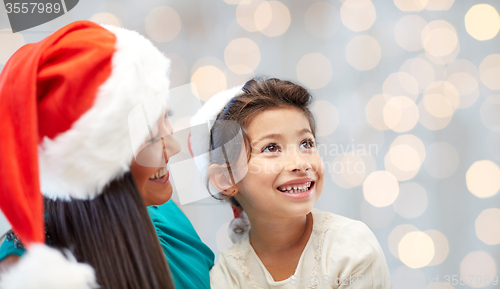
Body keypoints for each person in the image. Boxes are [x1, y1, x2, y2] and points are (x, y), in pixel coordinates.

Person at [0, 20, 213, 288]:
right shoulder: (30, 276)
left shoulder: (167, 216)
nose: (174, 147)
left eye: (166, 117)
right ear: (92, 167)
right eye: (150, 138)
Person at [197, 78, 391, 288]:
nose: (300, 163)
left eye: (306, 143)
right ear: (226, 179)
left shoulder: (351, 248)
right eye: (271, 148)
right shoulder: (226, 276)